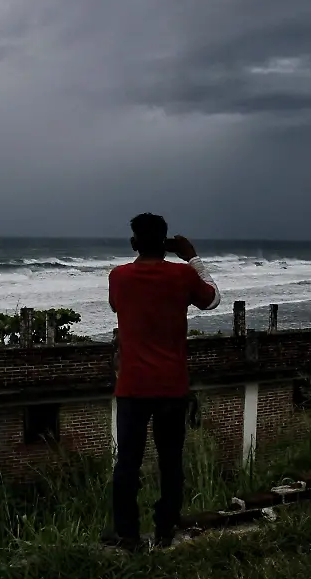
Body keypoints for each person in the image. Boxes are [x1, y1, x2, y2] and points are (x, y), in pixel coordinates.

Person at [102, 213, 222, 551]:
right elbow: (213, 299)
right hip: (171, 385)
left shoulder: (119, 277)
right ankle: (165, 529)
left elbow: (116, 306)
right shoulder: (182, 274)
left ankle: (127, 535)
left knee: (127, 462)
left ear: (134, 243)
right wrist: (193, 257)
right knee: (171, 461)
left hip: (133, 386)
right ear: (167, 243)